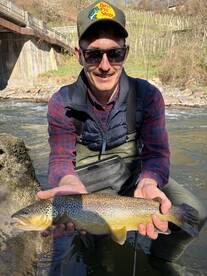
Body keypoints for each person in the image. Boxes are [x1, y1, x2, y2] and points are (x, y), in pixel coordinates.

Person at [37, 0, 206, 262]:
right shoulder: (62, 102)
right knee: (102, 254)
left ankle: (161, 261)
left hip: (134, 180)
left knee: (195, 210)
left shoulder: (147, 96)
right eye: (94, 54)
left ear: (125, 54)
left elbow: (157, 153)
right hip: (85, 189)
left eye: (114, 54)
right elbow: (60, 159)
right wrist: (67, 183)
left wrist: (150, 181)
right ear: (78, 55)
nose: (105, 65)